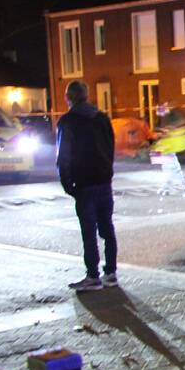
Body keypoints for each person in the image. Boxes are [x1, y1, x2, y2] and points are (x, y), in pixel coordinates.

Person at [56, 80, 117, 292]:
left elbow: (63, 155)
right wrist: (107, 170)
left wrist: (67, 183)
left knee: (89, 232)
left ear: (69, 98)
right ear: (87, 95)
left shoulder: (68, 122)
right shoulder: (102, 118)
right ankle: (111, 273)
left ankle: (93, 276)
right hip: (104, 181)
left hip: (84, 183)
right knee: (107, 228)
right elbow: (111, 147)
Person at [152, 102, 185, 196]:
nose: (159, 113)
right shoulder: (170, 116)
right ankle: (167, 187)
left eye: (160, 110)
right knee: (168, 168)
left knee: (176, 169)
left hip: (177, 146)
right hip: (172, 146)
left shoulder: (174, 115)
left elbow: (175, 128)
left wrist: (167, 131)